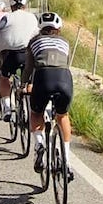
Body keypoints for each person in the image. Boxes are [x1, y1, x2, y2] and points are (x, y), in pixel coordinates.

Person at [23, 10, 74, 181]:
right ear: (58, 28)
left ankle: (39, 145)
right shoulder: (65, 42)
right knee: (63, 116)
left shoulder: (34, 42)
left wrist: (23, 85)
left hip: (43, 78)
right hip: (64, 78)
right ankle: (66, 161)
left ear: (40, 27)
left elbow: (29, 69)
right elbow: (66, 64)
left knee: (36, 113)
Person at [0, 0, 39, 121]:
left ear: (11, 5)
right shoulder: (33, 17)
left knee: (4, 77)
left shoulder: (7, 17)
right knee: (28, 80)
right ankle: (28, 106)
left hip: (11, 54)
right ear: (24, 5)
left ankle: (7, 107)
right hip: (29, 54)